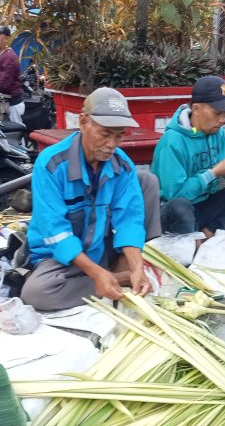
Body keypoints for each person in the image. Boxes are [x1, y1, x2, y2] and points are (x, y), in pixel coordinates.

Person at [20, 87, 162, 311]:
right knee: (36, 293)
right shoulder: (51, 164)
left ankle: (117, 275)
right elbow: (56, 232)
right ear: (84, 122)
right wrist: (97, 275)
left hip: (100, 247)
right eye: (105, 134)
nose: (112, 144)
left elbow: (129, 219)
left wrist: (137, 267)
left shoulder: (121, 164)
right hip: (60, 257)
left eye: (120, 135)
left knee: (147, 181)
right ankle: (110, 280)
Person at [151, 75, 225, 238]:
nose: (223, 120)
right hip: (172, 215)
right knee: (180, 207)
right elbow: (175, 195)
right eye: (217, 113)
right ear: (196, 109)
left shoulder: (217, 133)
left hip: (203, 208)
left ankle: (208, 232)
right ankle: (189, 241)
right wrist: (212, 174)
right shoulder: (172, 141)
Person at [0, 26, 24, 124]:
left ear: (7, 39)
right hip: (4, 103)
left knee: (16, 134)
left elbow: (4, 82)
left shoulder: (9, 57)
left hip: (13, 104)